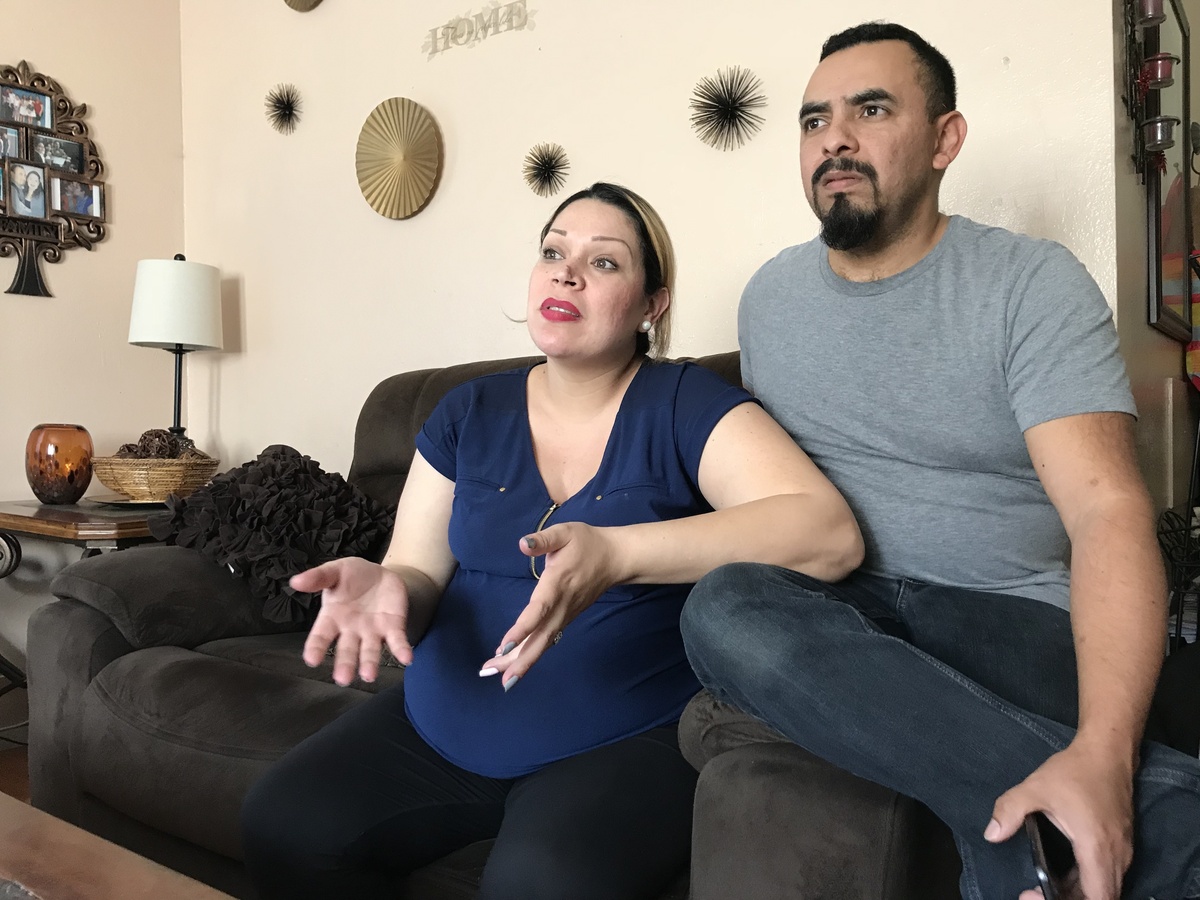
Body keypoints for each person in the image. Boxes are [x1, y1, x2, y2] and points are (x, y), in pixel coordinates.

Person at [679, 21, 1200, 900]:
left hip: (1006, 618)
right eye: (813, 121)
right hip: (839, 617)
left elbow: (1106, 510)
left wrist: (1106, 754)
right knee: (723, 605)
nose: (834, 138)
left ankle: (1055, 824)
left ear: (945, 140)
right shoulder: (768, 300)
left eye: (871, 110)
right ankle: (1163, 822)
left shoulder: (1030, 283)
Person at [240, 182, 863, 900]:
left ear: (652, 304)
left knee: (538, 884)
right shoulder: (466, 412)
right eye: (553, 253)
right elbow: (416, 571)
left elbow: (829, 536)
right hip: (441, 724)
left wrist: (621, 553)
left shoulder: (686, 405)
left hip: (623, 737)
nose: (567, 274)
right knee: (282, 823)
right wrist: (389, 587)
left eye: (604, 262)